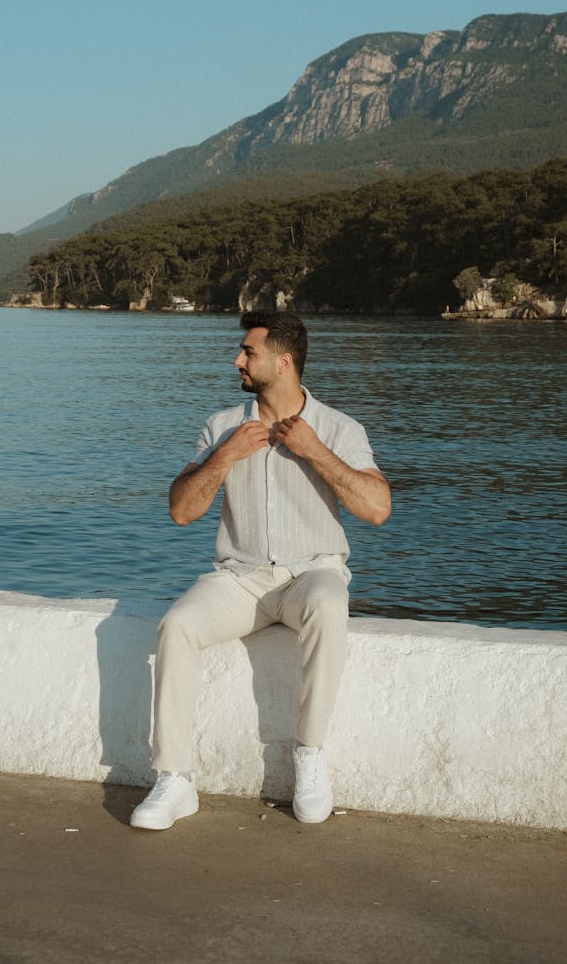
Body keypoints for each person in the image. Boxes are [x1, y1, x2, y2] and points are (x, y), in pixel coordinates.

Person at [130, 310, 391, 830]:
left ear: (284, 361)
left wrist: (313, 449)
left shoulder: (340, 428)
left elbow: (377, 507)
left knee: (327, 604)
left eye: (249, 352)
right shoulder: (221, 426)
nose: (238, 360)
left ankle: (310, 757)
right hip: (241, 577)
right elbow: (181, 510)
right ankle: (175, 780)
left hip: (309, 573)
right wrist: (224, 455)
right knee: (177, 625)